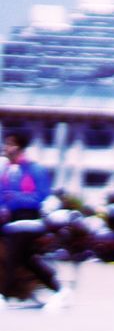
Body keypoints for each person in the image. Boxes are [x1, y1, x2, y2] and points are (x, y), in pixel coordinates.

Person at [1, 130, 63, 304]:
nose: (6, 148)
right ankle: (59, 289)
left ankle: (3, 295)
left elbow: (42, 196)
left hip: (30, 221)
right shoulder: (5, 171)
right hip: (10, 222)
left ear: (20, 148)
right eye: (6, 144)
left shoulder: (35, 169)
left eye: (10, 144)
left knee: (13, 256)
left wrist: (15, 197)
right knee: (26, 259)